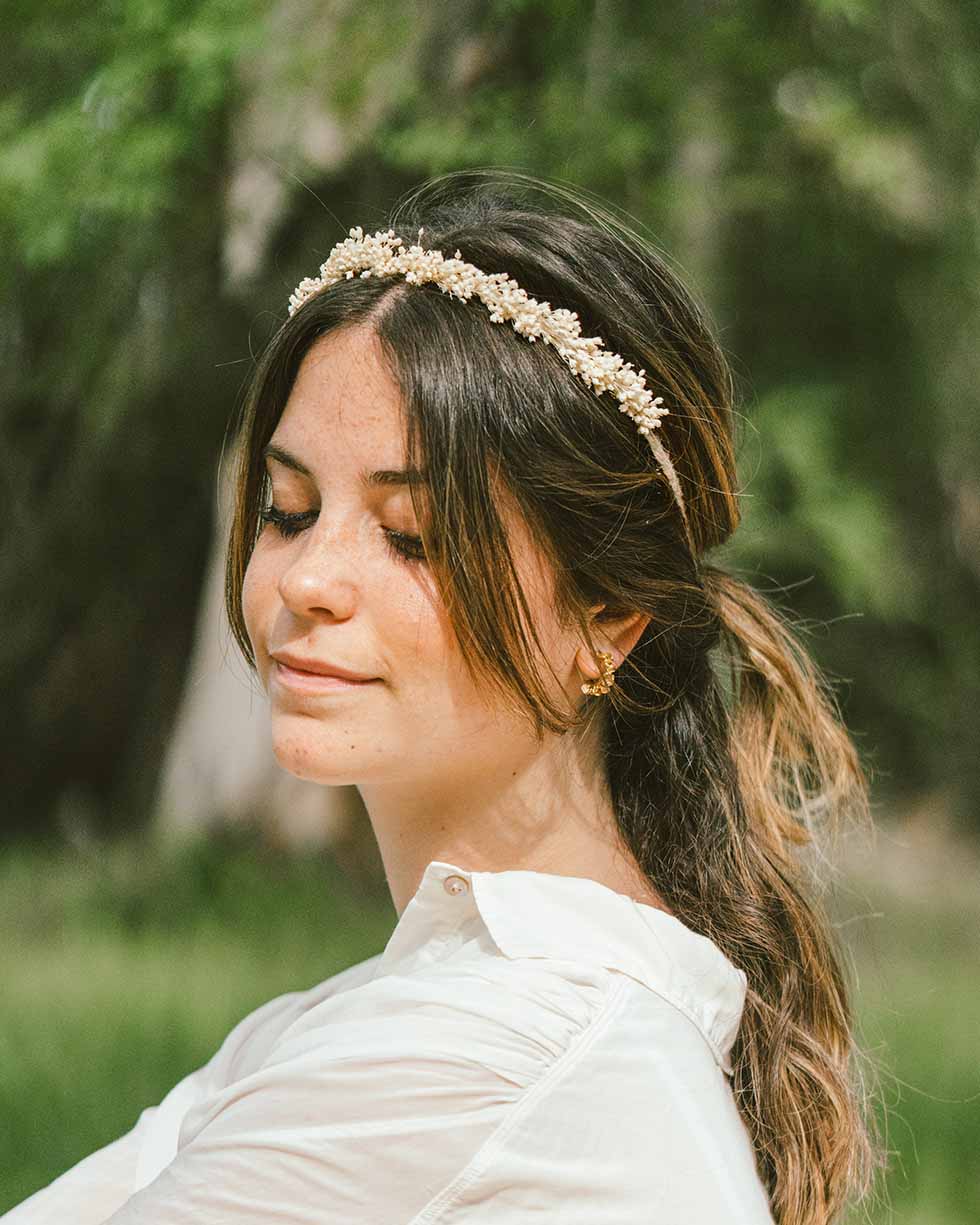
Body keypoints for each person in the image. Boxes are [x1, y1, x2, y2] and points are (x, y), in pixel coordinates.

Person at [4, 170, 883, 1224]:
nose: (308, 580)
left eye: (411, 536)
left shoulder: (495, 1043)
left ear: (605, 616)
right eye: (288, 509)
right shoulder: (392, 1020)